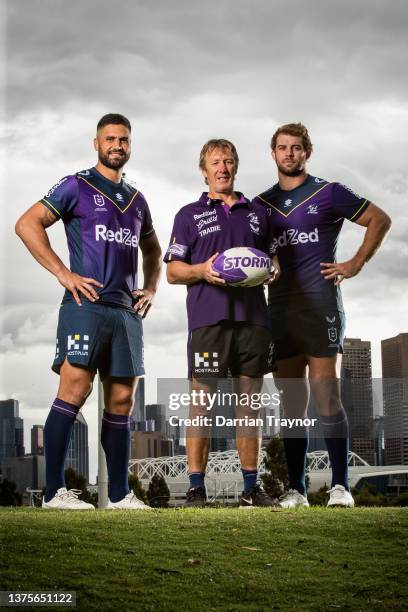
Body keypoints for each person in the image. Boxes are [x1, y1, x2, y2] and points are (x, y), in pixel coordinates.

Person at [15, 113, 162, 510]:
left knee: (120, 403)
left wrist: (150, 287)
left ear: (130, 145)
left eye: (124, 140)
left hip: (125, 314)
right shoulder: (75, 185)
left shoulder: (137, 199)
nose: (118, 145)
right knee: (74, 391)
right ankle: (54, 494)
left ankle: (119, 495)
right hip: (85, 307)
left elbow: (153, 251)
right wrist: (63, 274)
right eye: (110, 138)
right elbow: (27, 224)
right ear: (96, 143)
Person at [254, 123, 391, 507]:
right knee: (292, 401)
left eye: (296, 148)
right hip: (279, 309)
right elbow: (254, 252)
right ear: (273, 153)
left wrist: (354, 264)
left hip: (320, 307)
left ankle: (340, 487)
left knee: (326, 394)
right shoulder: (260, 205)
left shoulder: (329, 192)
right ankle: (296, 489)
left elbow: (379, 219)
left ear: (306, 153)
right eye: (282, 148)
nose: (289, 154)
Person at [165, 138, 280, 507]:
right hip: (208, 321)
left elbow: (275, 261)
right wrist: (202, 270)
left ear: (236, 166)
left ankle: (250, 487)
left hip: (253, 321)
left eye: (228, 161)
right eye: (215, 162)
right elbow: (172, 271)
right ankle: (196, 487)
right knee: (201, 405)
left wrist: (271, 271)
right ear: (204, 170)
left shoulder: (259, 213)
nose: (222, 168)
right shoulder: (188, 215)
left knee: (249, 405)